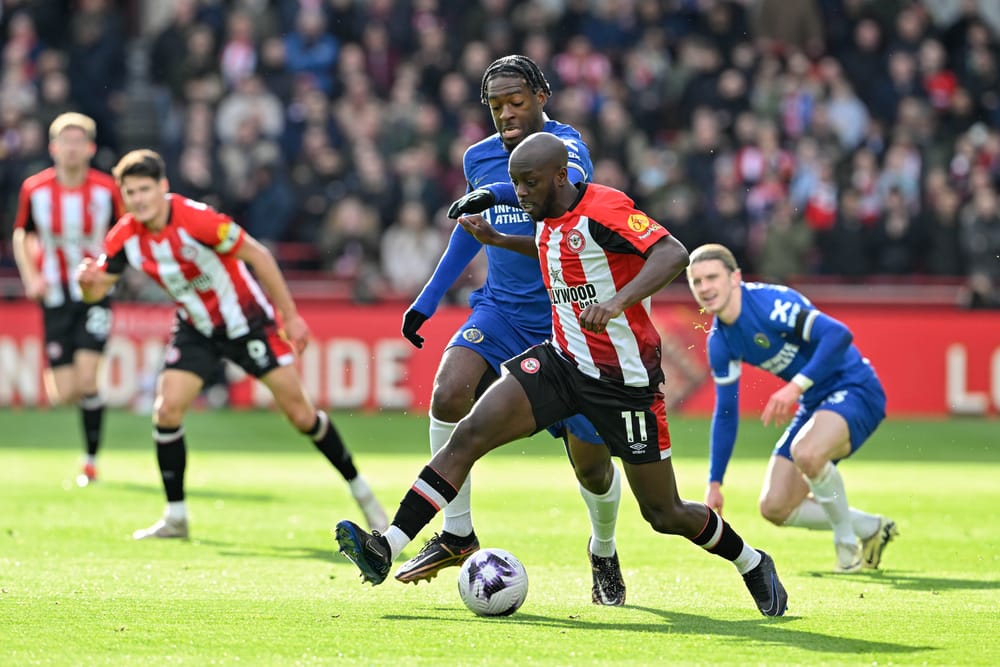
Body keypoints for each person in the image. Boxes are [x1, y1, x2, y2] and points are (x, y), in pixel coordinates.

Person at [335, 132, 788, 618]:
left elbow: (672, 253)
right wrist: (497, 239)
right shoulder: (545, 216)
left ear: (560, 177)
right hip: (562, 363)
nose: (520, 195)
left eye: (529, 184)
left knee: (664, 513)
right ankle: (390, 543)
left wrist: (617, 301)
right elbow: (553, 251)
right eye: (515, 184)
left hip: (624, 384)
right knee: (467, 435)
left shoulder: (606, 208)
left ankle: (752, 562)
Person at [396, 55, 626, 605]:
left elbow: (557, 196)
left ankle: (604, 546)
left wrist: (494, 195)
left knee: (591, 467)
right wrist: (427, 300)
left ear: (542, 95)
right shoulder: (477, 157)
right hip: (499, 310)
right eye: (496, 105)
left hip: (564, 319)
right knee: (449, 390)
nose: (505, 112)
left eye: (516, 101)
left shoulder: (568, 147)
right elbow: (469, 232)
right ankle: (456, 531)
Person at [75, 149, 387, 540]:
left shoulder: (197, 219)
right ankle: (176, 517)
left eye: (144, 190)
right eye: (131, 192)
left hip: (248, 324)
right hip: (196, 328)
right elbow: (97, 289)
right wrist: (87, 285)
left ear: (163, 187)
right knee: (167, 409)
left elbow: (259, 254)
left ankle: (366, 498)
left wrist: (289, 316)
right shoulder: (124, 237)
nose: (138, 199)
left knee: (302, 416)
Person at [685, 243, 899, 572]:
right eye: (696, 281)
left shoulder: (771, 304)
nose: (705, 288)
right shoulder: (720, 342)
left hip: (855, 388)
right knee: (774, 507)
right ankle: (871, 528)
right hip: (815, 402)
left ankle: (846, 547)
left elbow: (838, 335)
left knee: (807, 452)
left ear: (735, 278)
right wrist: (715, 483)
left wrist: (795, 386)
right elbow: (725, 412)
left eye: (712, 277)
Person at [12, 112, 125, 487]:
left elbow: (125, 233)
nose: (72, 149)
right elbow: (21, 234)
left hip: (94, 293)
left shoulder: (107, 189)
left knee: (89, 379)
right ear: (53, 148)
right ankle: (73, 395)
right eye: (65, 142)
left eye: (79, 142)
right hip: (55, 294)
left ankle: (90, 461)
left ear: (90, 148)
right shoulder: (35, 188)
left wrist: (113, 274)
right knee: (65, 393)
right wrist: (31, 277)